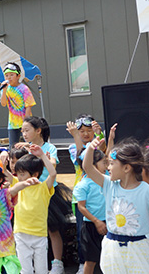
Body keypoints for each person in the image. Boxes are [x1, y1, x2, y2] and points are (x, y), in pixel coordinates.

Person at [83, 135, 149, 272]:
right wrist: (90, 148)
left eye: (112, 163)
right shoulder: (109, 185)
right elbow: (87, 167)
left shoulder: (145, 190)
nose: (108, 167)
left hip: (139, 247)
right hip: (112, 247)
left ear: (126, 168)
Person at [17, 116, 69, 273]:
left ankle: (57, 262)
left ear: (38, 131)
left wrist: (41, 155)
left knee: (53, 229)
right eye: (22, 131)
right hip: (28, 193)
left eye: (27, 130)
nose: (24, 134)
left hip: (46, 191)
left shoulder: (49, 148)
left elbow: (53, 164)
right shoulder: (26, 148)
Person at [66, 113, 104, 273]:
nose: (86, 134)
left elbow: (102, 151)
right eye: (82, 131)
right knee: (83, 233)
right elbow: (82, 158)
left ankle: (103, 262)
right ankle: (83, 263)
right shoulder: (73, 146)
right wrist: (75, 136)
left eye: (89, 130)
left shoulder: (96, 143)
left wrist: (100, 134)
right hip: (81, 197)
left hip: (100, 195)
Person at [13, 144, 57, 274]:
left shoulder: (43, 188)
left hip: (39, 235)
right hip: (21, 233)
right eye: (18, 174)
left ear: (35, 174)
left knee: (41, 270)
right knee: (25, 270)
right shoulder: (17, 185)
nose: (19, 177)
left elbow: (53, 173)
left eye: (22, 174)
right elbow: (6, 174)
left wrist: (42, 155)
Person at [73, 149, 107, 274]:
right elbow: (81, 207)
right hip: (91, 227)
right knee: (91, 261)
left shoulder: (106, 180)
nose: (106, 166)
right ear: (92, 165)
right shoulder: (83, 185)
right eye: (103, 163)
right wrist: (96, 221)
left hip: (108, 223)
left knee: (109, 257)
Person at [0, 62, 36, 148]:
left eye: (12, 75)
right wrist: (4, 91)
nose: (9, 77)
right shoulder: (6, 88)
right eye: (6, 75)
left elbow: (28, 106)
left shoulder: (24, 88)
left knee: (28, 145)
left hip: (25, 121)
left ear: (18, 76)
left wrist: (26, 122)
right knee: (13, 147)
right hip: (12, 123)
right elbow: (3, 103)